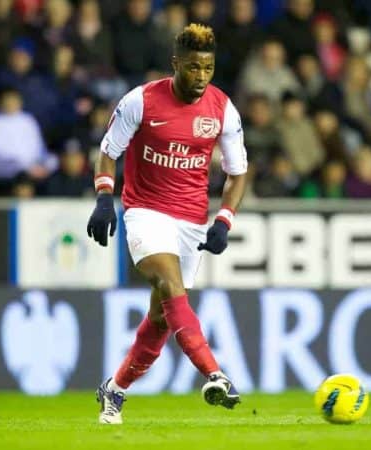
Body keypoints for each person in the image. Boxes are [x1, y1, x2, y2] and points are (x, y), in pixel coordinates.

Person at [87, 24, 248, 424]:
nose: (201, 77)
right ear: (176, 63)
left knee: (160, 318)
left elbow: (238, 172)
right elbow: (109, 152)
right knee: (170, 285)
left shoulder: (222, 109)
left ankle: (115, 389)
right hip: (145, 211)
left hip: (192, 220)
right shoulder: (139, 102)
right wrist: (105, 197)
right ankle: (215, 374)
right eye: (193, 68)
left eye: (208, 69)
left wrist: (224, 219)